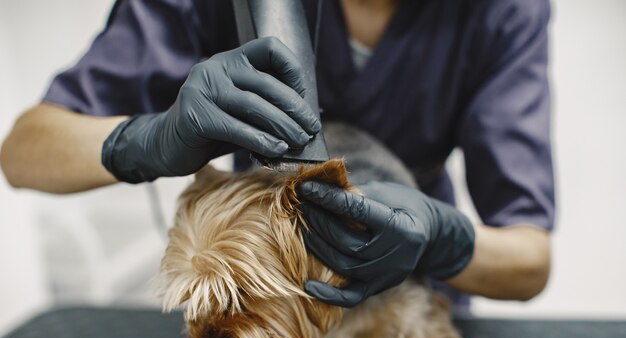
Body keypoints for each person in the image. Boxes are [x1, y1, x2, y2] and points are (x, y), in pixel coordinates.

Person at [0, 0, 554, 308]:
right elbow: (22, 152)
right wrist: (148, 139)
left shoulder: (502, 13)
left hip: (412, 302)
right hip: (257, 305)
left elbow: (530, 264)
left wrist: (441, 239)